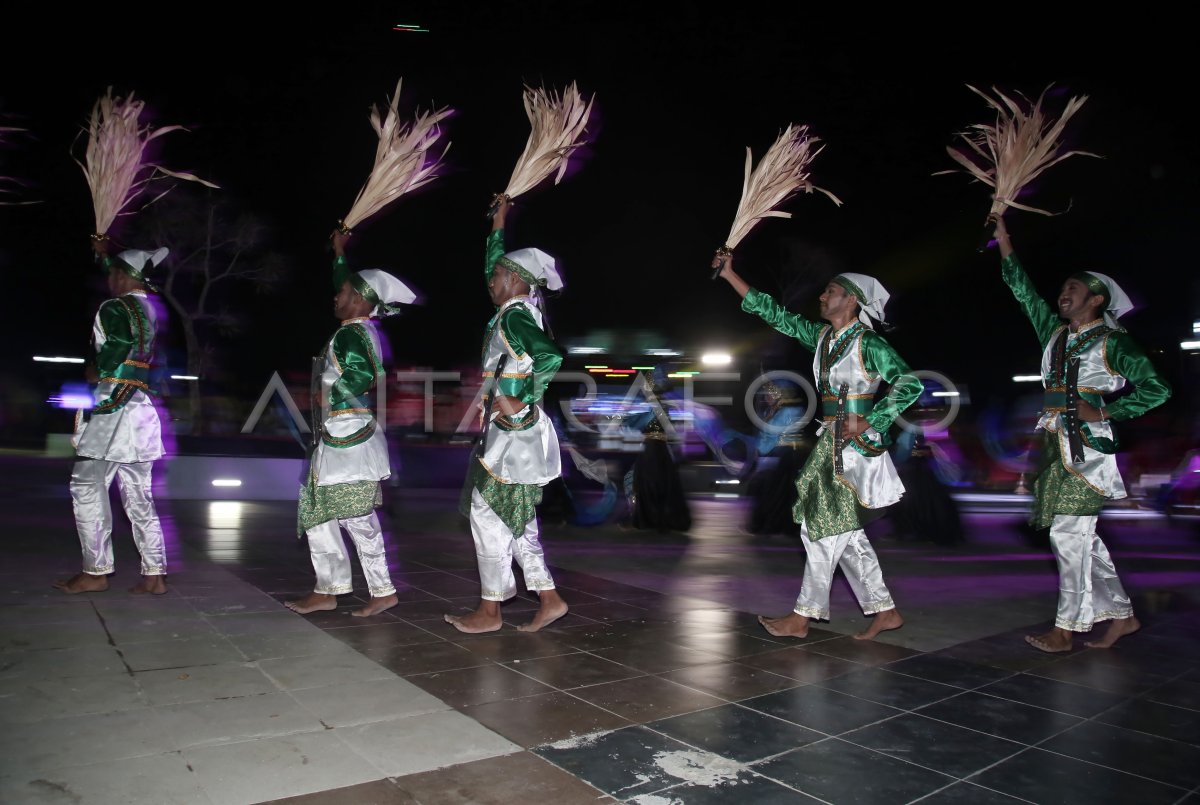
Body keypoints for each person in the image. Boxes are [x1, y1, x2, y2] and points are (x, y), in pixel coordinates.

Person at [717, 254, 923, 640]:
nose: (822, 296)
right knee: (844, 534)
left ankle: (803, 616)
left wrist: (872, 418)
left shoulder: (870, 343)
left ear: (852, 300)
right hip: (831, 439)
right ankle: (885, 609)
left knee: (818, 527)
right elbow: (774, 313)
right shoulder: (824, 337)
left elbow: (910, 383)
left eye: (831, 291)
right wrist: (730, 274)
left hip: (857, 447)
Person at [993, 216, 1171, 652]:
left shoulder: (1113, 342)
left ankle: (1067, 628)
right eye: (1063, 288)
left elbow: (1158, 388)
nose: (1063, 293)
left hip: (1088, 449)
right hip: (1054, 445)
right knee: (1082, 538)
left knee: (1068, 536)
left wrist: (1108, 408)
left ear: (1096, 299)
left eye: (1073, 288)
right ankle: (1122, 616)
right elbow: (1024, 292)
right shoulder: (1053, 334)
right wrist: (1004, 241)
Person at [445, 196, 569, 633]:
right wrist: (498, 222)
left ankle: (491, 609)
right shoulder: (511, 310)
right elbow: (492, 266)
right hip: (507, 431)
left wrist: (524, 399)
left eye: (499, 275)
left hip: (514, 431)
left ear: (517, 280)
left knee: (486, 511)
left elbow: (551, 356)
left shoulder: (516, 316)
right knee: (515, 518)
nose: (491, 280)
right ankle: (547, 597)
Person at [285, 229, 414, 618]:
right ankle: (337, 588)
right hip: (342, 436)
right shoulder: (359, 329)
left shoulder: (353, 334)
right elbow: (344, 287)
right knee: (328, 513)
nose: (335, 295)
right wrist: (339, 253)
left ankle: (365, 589)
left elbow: (365, 374)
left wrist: (333, 394)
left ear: (359, 300)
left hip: (347, 436)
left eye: (343, 293)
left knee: (354, 517)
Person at [56, 238, 170, 595]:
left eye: (114, 275)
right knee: (139, 495)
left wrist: (98, 369)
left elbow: (118, 343)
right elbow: (127, 276)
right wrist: (105, 256)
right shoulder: (149, 307)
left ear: (124, 278)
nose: (110, 280)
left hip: (113, 408)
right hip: (141, 408)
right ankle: (154, 574)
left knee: (87, 486)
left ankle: (96, 570)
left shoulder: (113, 307)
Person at [622, 372, 692, 532]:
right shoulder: (663, 406)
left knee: (647, 482)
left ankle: (650, 519)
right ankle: (659, 518)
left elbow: (638, 424)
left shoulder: (653, 407)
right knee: (660, 482)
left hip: (651, 448)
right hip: (659, 448)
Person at [746, 378, 811, 537]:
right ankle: (776, 525)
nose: (767, 397)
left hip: (783, 456)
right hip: (780, 455)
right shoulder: (778, 410)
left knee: (774, 492)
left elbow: (771, 434)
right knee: (777, 492)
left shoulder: (787, 411)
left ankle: (773, 525)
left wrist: (760, 449)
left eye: (771, 394)